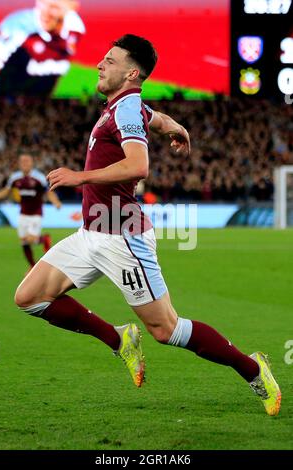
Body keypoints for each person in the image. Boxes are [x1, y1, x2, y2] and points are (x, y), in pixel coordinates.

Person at [14, 34, 281, 416]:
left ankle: (253, 368)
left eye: (109, 60)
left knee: (166, 329)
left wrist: (80, 176)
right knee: (30, 298)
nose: (100, 65)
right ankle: (120, 339)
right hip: (91, 233)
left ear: (131, 72)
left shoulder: (124, 108)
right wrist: (177, 128)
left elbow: (138, 166)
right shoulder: (123, 106)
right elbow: (157, 119)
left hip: (122, 237)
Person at [0, 0, 85, 96]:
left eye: (54, 7)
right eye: (42, 3)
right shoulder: (15, 28)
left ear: (71, 8)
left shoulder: (75, 28)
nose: (45, 12)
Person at [0, 153, 61, 269]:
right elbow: (6, 191)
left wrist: (56, 201)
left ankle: (44, 238)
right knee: (24, 242)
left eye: (27, 161)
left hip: (36, 214)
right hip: (23, 214)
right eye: (22, 161)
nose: (25, 163)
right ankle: (32, 266)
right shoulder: (15, 178)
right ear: (19, 164)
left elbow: (48, 192)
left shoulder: (39, 177)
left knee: (31, 239)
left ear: (31, 163)